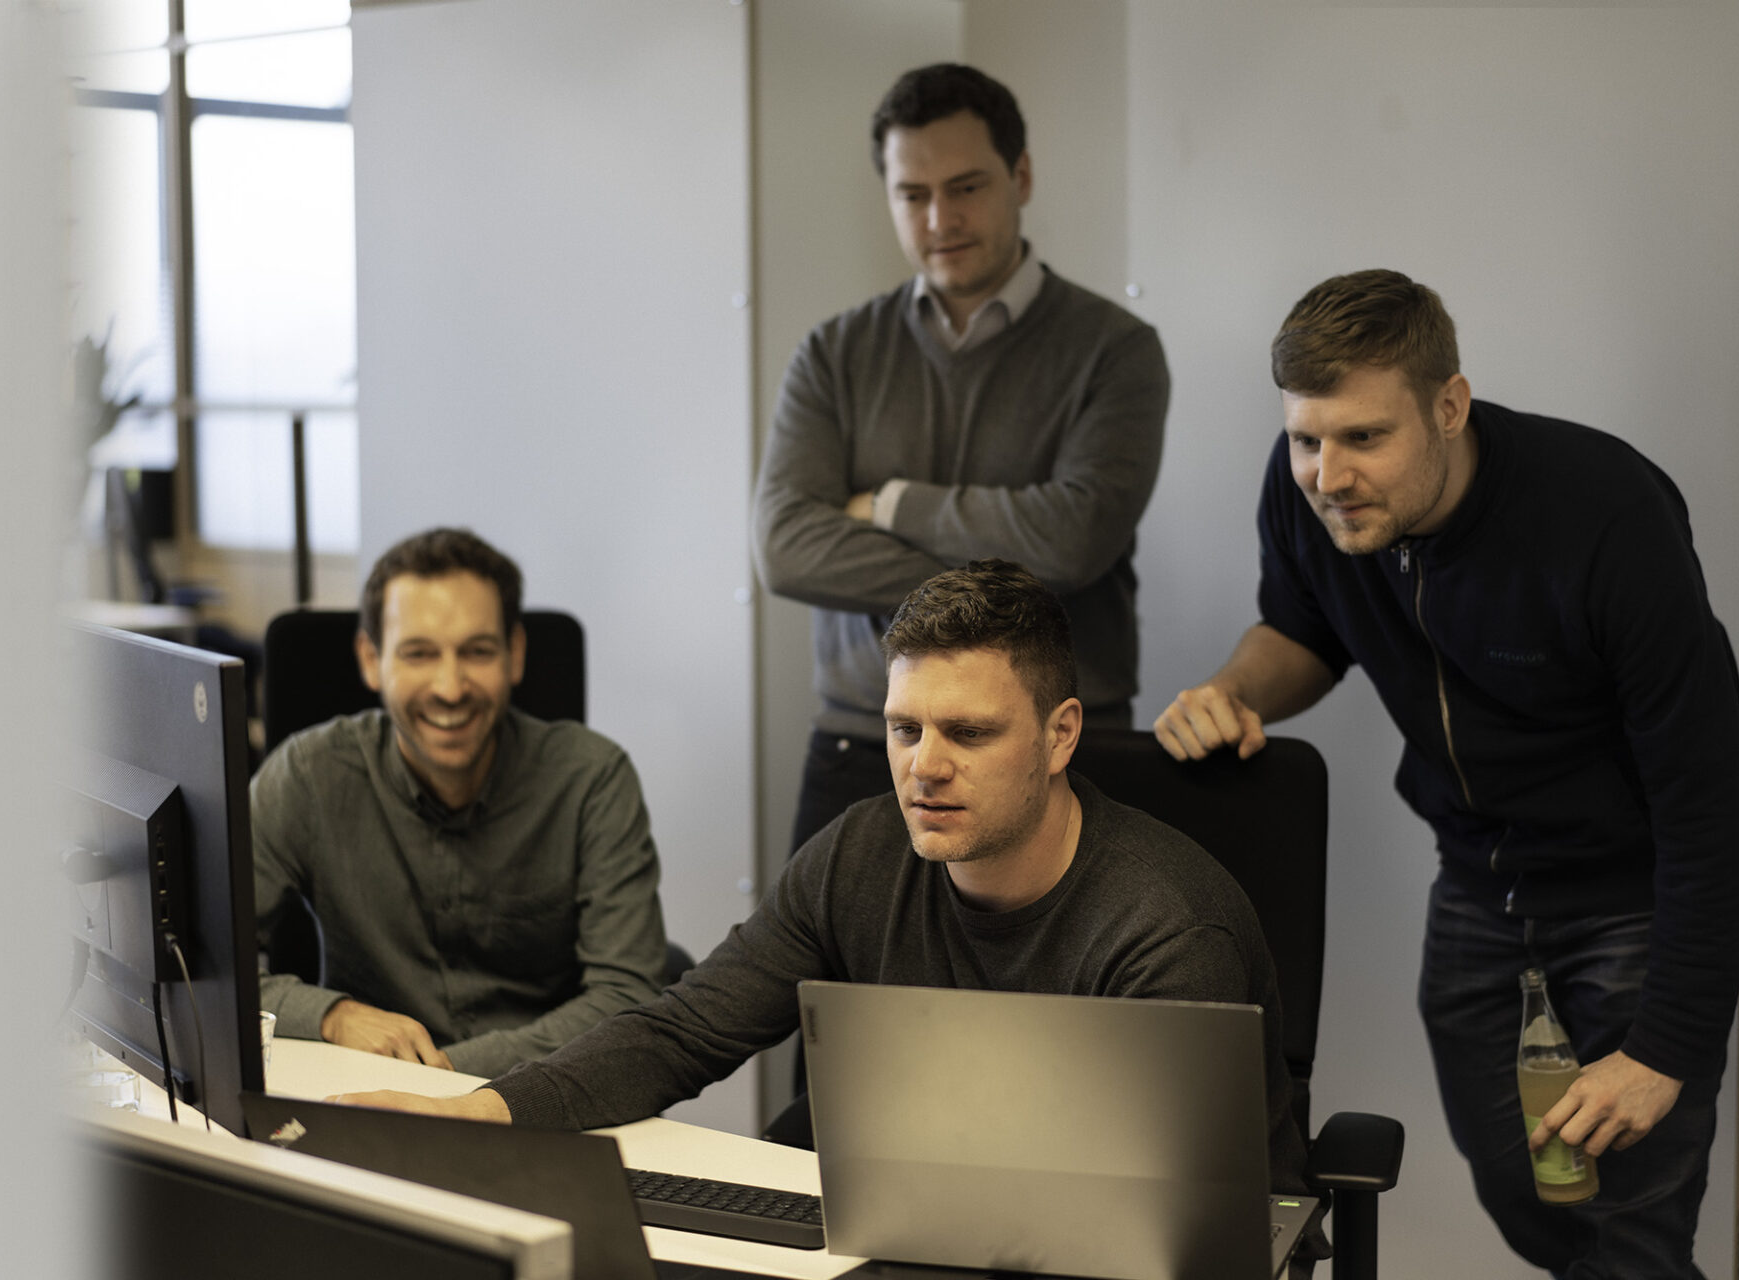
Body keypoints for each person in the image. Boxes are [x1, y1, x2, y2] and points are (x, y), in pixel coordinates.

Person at [337, 560, 1307, 1192]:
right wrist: (478, 1116)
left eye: (968, 732)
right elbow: (683, 1029)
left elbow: (1162, 1212)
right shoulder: (862, 851)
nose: (924, 765)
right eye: (904, 727)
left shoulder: (1166, 929)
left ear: (1060, 734)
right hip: (934, 1207)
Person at [1153, 270, 1739, 1276]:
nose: (1328, 475)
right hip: (1477, 892)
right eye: (1308, 438)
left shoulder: (1606, 513)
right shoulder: (1306, 488)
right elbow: (1305, 628)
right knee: (1530, 1200)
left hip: (1627, 902)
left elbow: (1709, 800)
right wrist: (1235, 688)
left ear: (1449, 406)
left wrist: (1666, 1051)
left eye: (1364, 438)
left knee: (1633, 1232)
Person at [753, 62, 1170, 853]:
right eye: (913, 195)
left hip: (1057, 749)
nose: (940, 217)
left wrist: (887, 506)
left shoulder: (1116, 352)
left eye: (968, 186)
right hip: (866, 744)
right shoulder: (833, 354)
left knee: (1050, 981)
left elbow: (1076, 539)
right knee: (825, 981)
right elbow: (784, 546)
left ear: (1022, 176)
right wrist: (1016, 593)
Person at [252, 527, 669, 1079]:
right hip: (368, 1106)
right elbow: (204, 962)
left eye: (476, 652)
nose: (450, 687)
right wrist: (331, 1015)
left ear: (515, 655)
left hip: (546, 1106)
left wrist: (441, 1074)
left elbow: (625, 998)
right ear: (372, 659)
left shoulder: (592, 780)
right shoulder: (310, 775)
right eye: (419, 654)